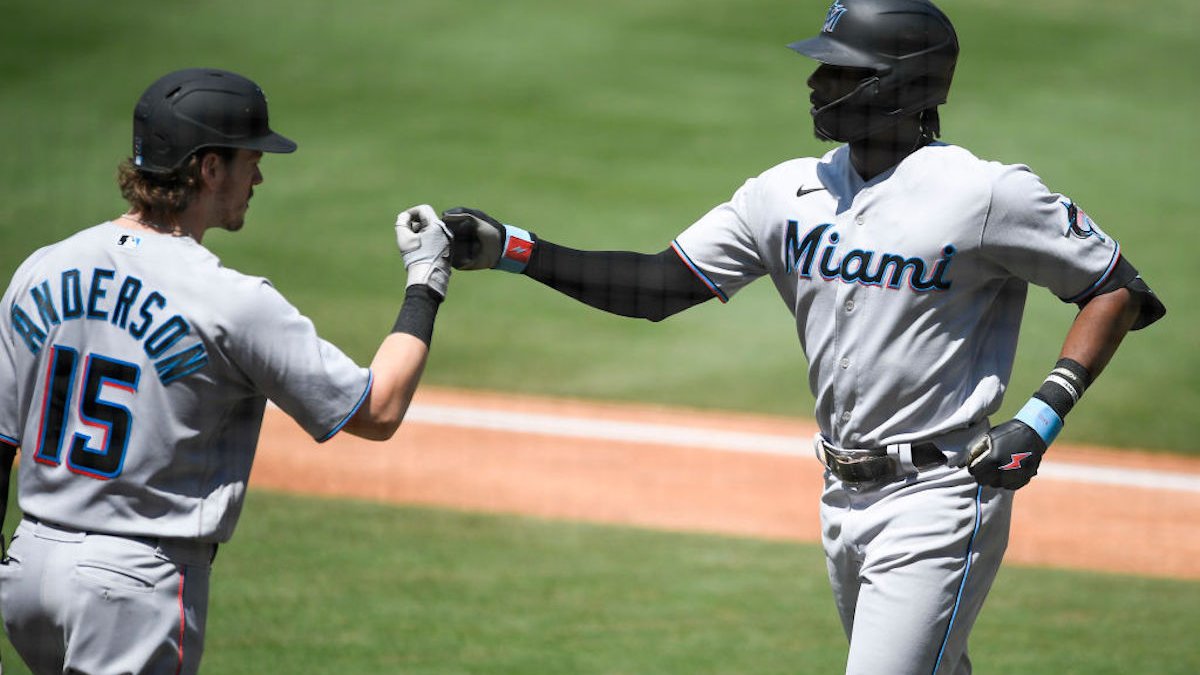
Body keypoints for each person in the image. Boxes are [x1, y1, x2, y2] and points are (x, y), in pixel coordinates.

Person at [430, 1, 1166, 673]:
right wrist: (510, 248)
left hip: (940, 495)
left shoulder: (984, 194)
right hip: (840, 497)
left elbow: (1115, 285)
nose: (817, 83)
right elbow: (659, 287)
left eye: (842, 70)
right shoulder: (786, 193)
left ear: (904, 85)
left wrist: (1041, 418)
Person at [0, 68, 453, 674]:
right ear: (208, 167)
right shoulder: (231, 300)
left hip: (28, 569)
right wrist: (426, 282)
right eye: (250, 158)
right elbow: (377, 410)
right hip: (130, 585)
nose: (259, 174)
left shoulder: (41, 268)